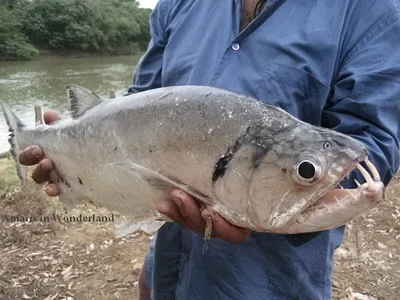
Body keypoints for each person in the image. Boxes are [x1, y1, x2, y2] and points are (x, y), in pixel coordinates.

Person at [19, 0, 400, 299]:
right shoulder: (179, 4)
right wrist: (77, 158)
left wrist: (305, 182)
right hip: (164, 268)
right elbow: (136, 104)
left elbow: (373, 142)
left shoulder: (369, 8)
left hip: (271, 282)